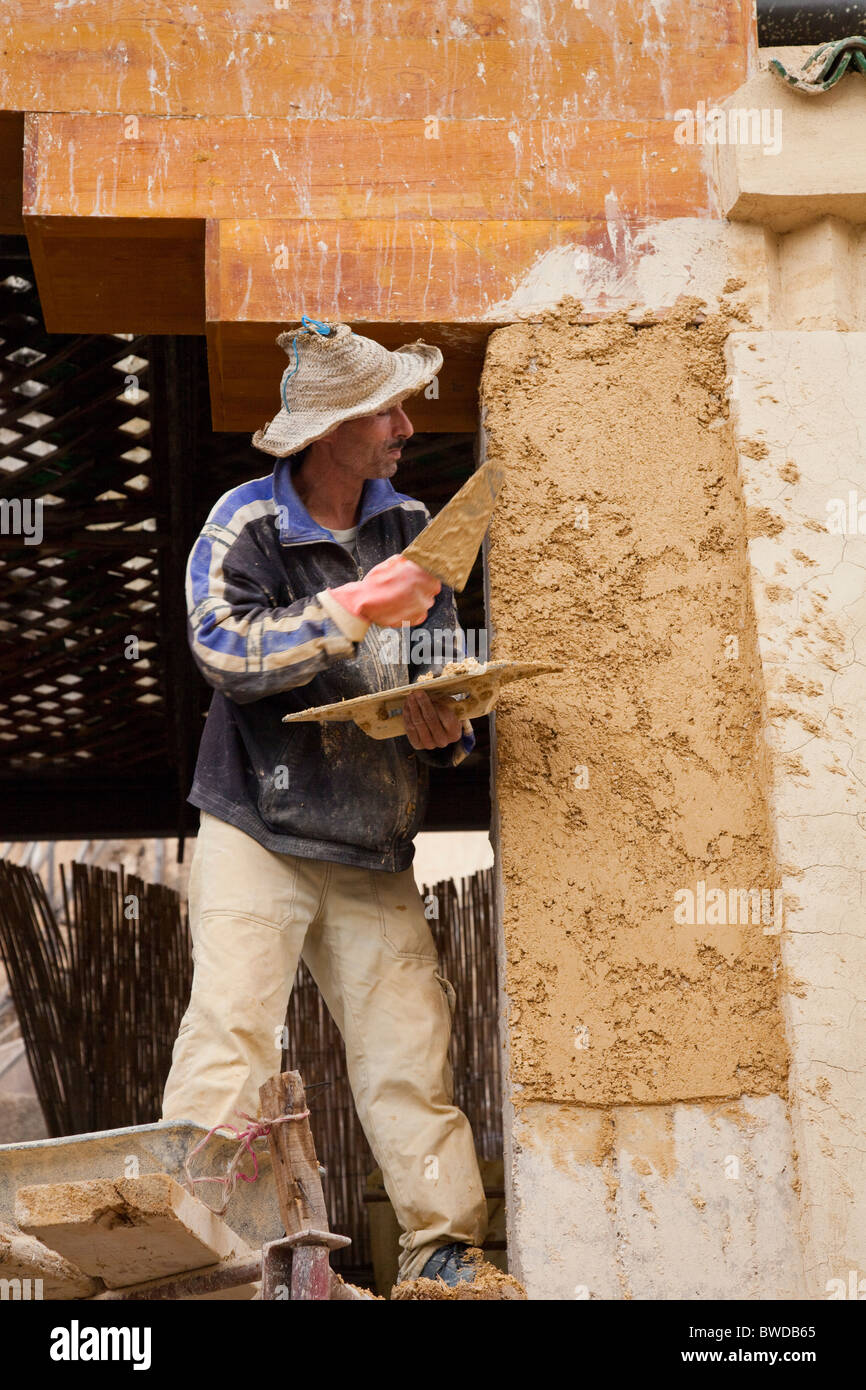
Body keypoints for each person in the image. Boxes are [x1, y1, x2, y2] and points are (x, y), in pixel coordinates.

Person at [162, 317, 492, 1288]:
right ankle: (194, 1250)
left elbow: (440, 668)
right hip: (254, 828)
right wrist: (353, 609)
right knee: (230, 1032)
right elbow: (222, 650)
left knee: (407, 1047)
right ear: (328, 430)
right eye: (383, 408)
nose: (402, 424)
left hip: (371, 832)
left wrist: (445, 719)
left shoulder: (413, 529)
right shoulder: (245, 524)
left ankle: (440, 1253)